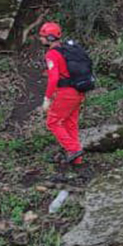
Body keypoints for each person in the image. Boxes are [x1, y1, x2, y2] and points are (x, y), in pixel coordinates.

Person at [39, 21, 85, 166]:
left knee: (52, 122)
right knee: (70, 123)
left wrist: (47, 98)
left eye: (43, 36)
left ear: (50, 38)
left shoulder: (52, 54)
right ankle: (77, 160)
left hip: (66, 93)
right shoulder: (67, 50)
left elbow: (54, 79)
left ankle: (74, 150)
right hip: (78, 91)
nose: (40, 39)